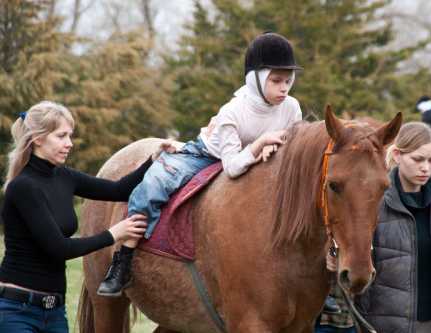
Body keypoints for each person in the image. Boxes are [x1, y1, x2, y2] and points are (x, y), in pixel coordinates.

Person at [97, 32, 304, 296]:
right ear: (256, 79)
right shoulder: (233, 111)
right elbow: (232, 167)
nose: (284, 88)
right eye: (276, 81)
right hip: (206, 155)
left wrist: (271, 149)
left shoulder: (291, 107)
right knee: (153, 185)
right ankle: (123, 261)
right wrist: (259, 145)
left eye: (288, 81)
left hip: (259, 157)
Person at [0, 101, 168, 332]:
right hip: (17, 311)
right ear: (38, 139)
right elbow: (59, 248)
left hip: (55, 311)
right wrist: (114, 233)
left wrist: (153, 160)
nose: (69, 144)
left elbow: (118, 190)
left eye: (70, 135)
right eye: (61, 136)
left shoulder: (64, 176)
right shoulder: (24, 187)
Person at [327, 122, 431, 333]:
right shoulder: (376, 203)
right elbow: (357, 260)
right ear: (397, 155)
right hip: (383, 324)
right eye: (418, 159)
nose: (426, 167)